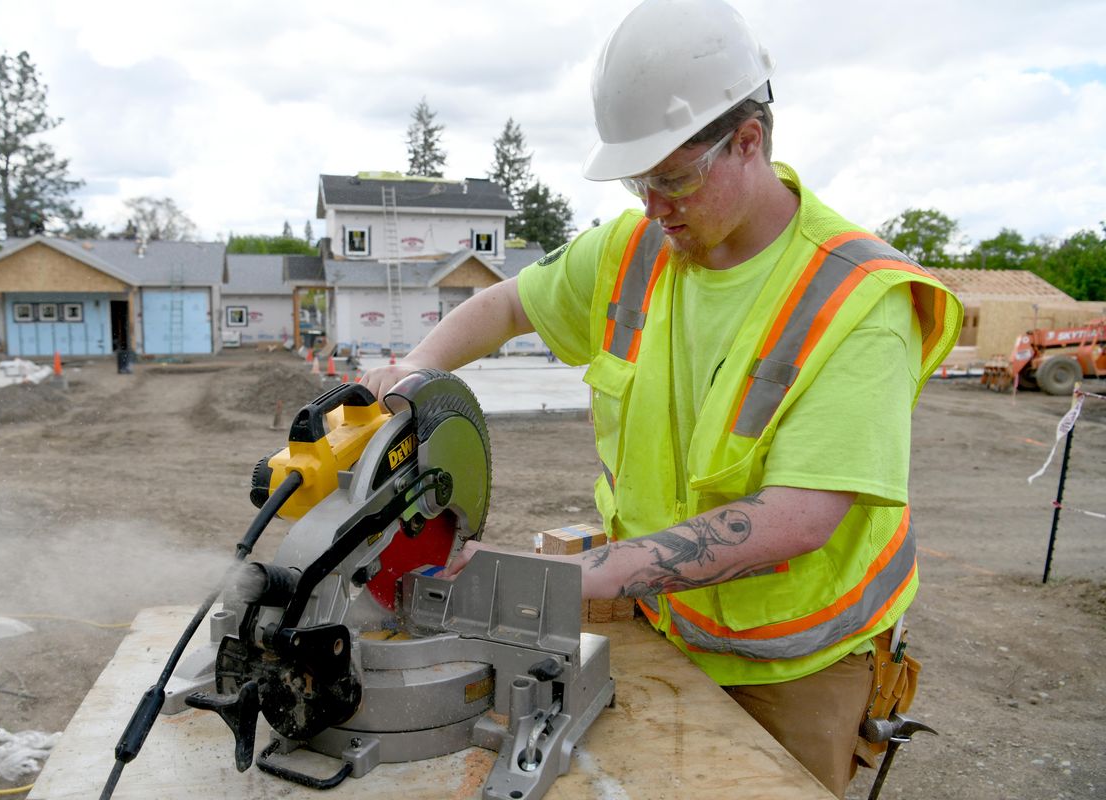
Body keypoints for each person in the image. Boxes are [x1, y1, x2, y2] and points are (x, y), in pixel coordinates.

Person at [363, 0, 962, 794]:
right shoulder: (637, 248)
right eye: (639, 182)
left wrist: (575, 580)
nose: (652, 207)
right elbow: (510, 305)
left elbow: (800, 517)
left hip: (796, 668)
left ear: (749, 141)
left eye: (673, 179)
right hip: (661, 625)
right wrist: (415, 373)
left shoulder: (856, 299)